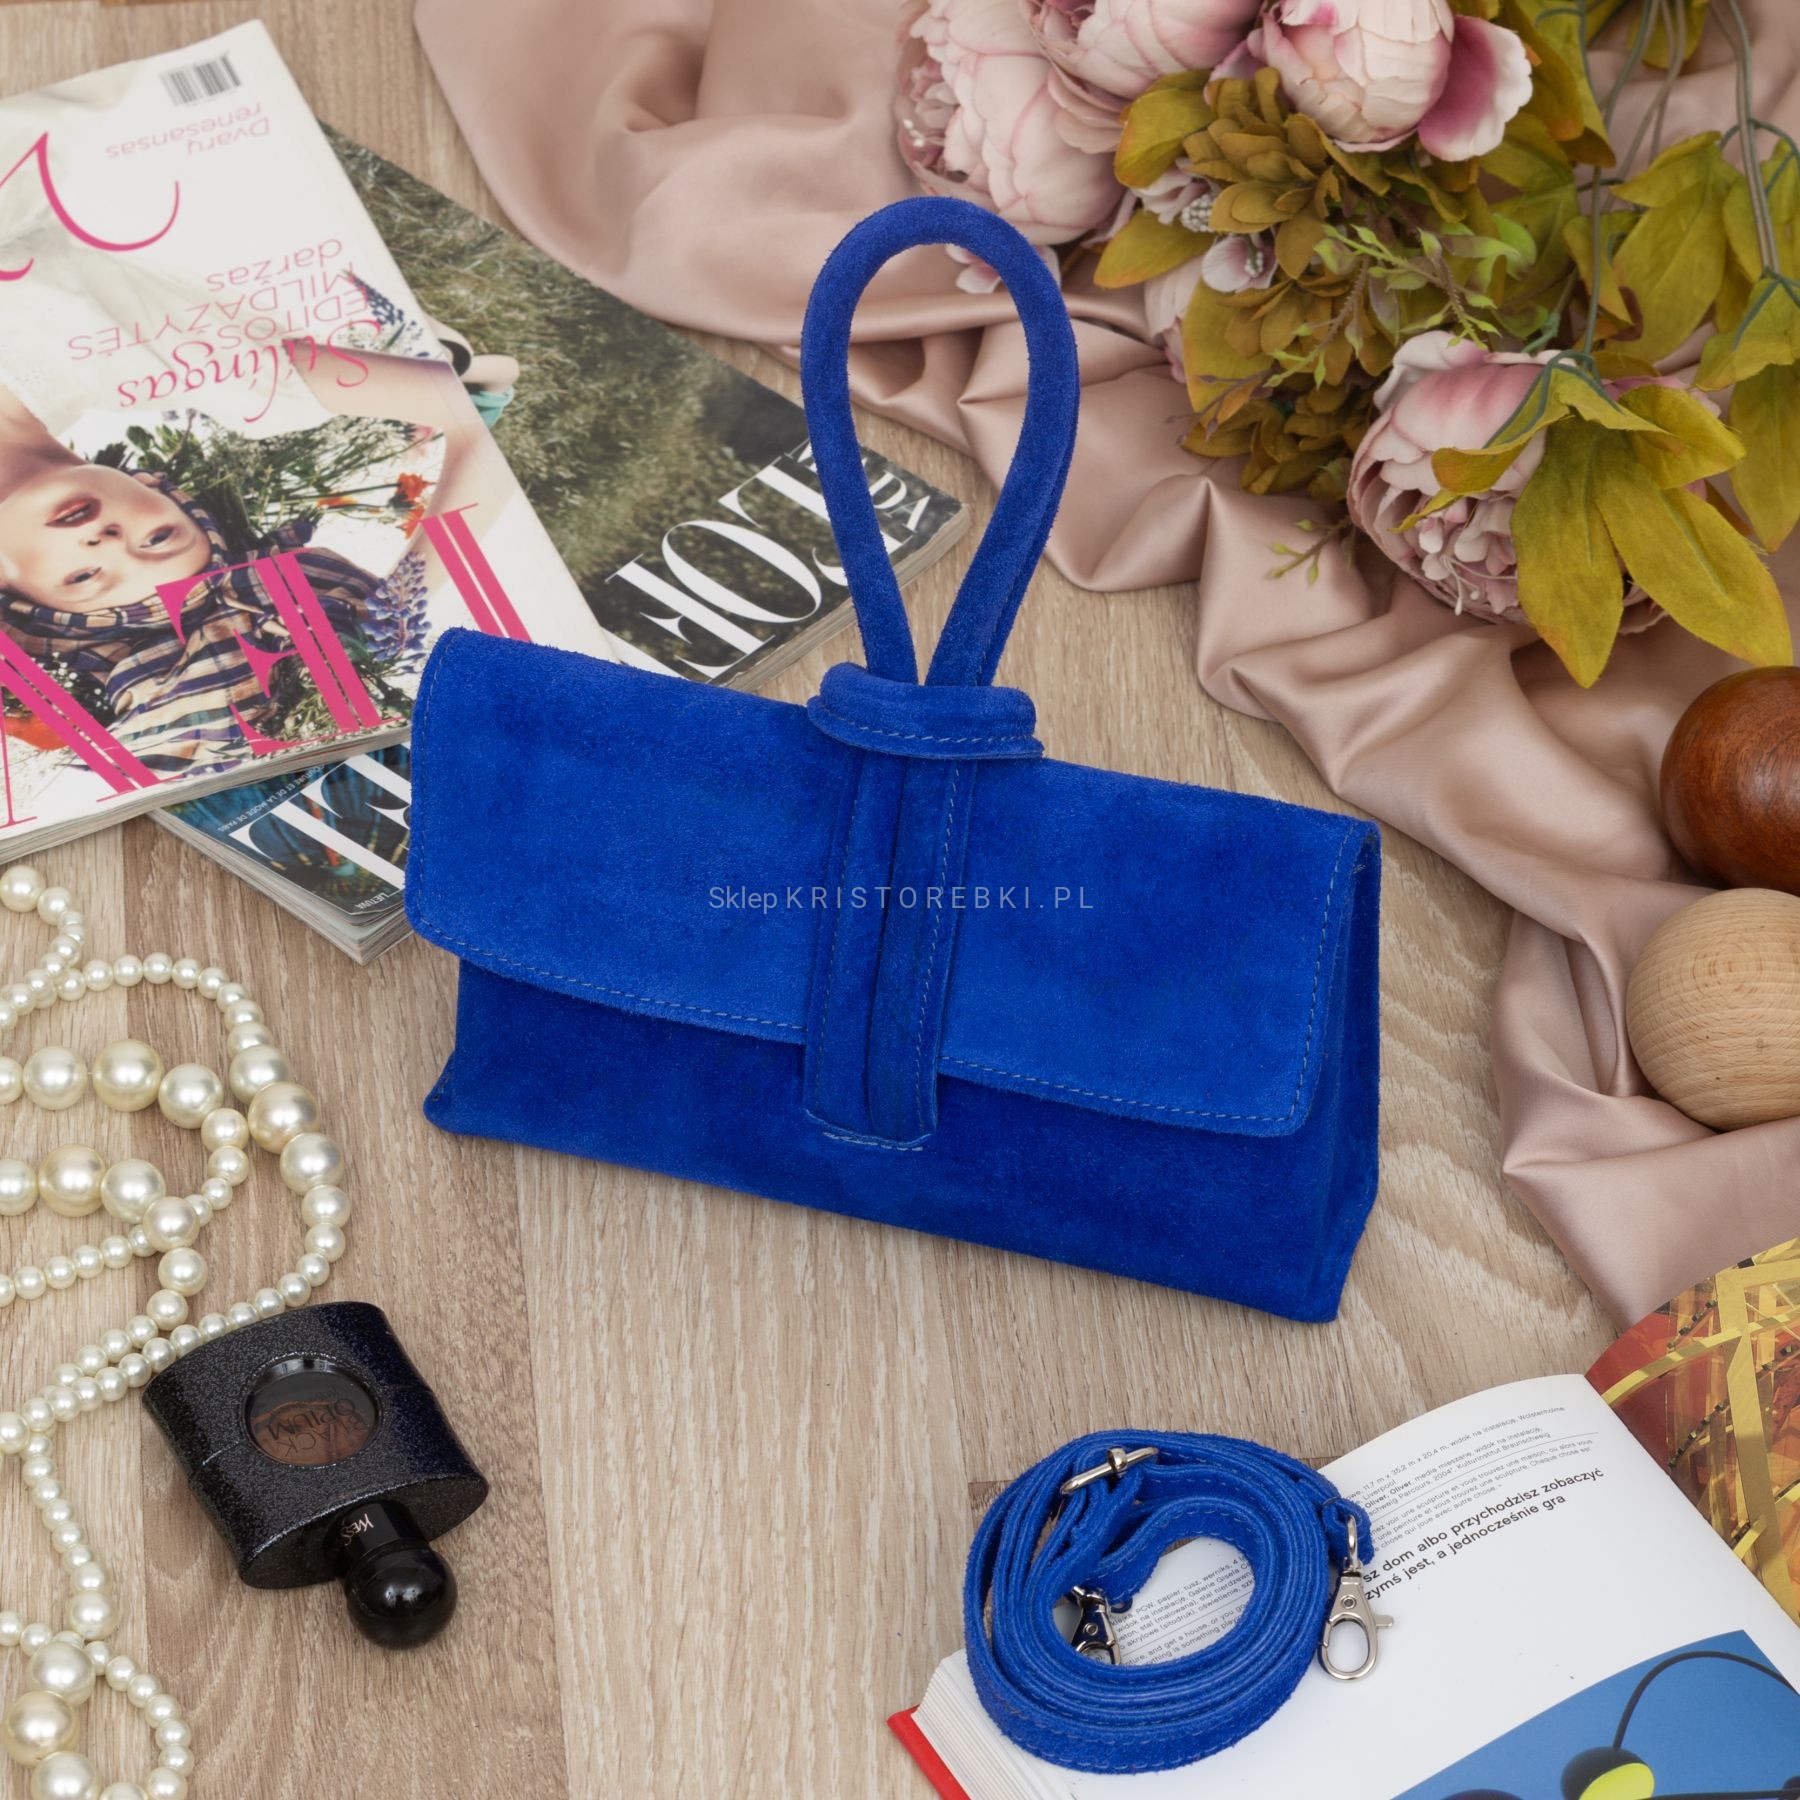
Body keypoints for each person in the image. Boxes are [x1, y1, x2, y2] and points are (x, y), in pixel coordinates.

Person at [0, 383, 424, 774]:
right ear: (156, 488)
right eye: (157, 538)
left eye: (85, 576)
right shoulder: (122, 373)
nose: (108, 542)